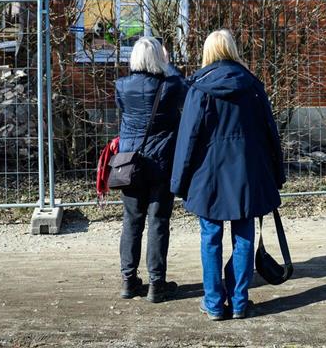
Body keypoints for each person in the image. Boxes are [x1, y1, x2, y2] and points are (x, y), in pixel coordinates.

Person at [171, 29, 285, 320]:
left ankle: (212, 304)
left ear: (208, 51)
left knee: (210, 235)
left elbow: (188, 139)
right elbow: (270, 133)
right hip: (247, 174)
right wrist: (276, 174)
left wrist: (178, 182)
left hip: (207, 176)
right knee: (244, 233)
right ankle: (238, 302)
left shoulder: (200, 88)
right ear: (233, 49)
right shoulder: (253, 86)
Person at [115, 36, 187, 303]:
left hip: (130, 164)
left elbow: (124, 112)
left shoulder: (121, 86)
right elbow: (187, 88)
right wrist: (168, 65)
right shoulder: (170, 86)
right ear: (159, 58)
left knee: (131, 222)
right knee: (158, 223)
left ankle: (128, 280)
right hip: (161, 164)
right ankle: (157, 284)